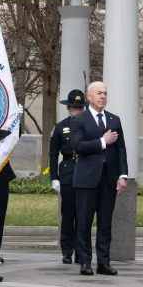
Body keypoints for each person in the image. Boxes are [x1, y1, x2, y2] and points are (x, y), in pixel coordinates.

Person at [70, 81, 129, 276]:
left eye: (105, 93)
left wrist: (122, 175)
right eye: (99, 93)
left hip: (108, 179)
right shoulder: (79, 120)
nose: (103, 96)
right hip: (87, 179)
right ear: (89, 97)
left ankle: (103, 262)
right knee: (84, 222)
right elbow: (78, 146)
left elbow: (121, 149)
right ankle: (85, 261)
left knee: (105, 222)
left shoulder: (114, 119)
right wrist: (103, 141)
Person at [49, 89, 88, 264]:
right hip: (68, 170)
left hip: (85, 168)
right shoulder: (60, 127)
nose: (76, 111)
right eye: (73, 108)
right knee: (68, 213)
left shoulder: (89, 124)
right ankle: (67, 250)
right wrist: (54, 177)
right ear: (68, 108)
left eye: (79, 108)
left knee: (83, 213)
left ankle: (81, 251)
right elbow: (53, 153)